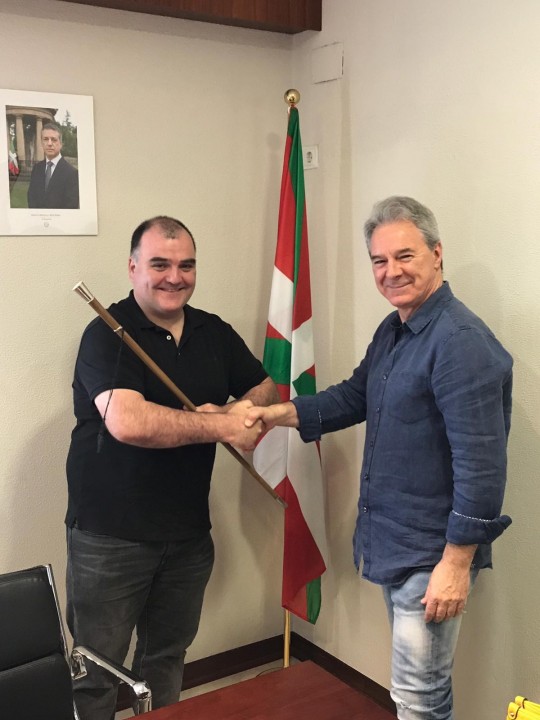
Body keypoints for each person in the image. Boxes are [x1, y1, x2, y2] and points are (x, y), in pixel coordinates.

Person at [245, 196, 513, 720]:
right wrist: (276, 415)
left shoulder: (459, 342)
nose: (391, 271)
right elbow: (353, 397)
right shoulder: (394, 330)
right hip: (393, 541)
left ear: (437, 254)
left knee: (419, 696)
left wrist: (456, 564)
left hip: (431, 553)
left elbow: (482, 465)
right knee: (416, 691)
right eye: (379, 260)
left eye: (404, 256)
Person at [66, 215, 278, 720]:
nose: (174, 277)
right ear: (133, 267)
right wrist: (220, 426)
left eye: (186, 265)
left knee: (165, 659)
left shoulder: (212, 331)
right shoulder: (107, 333)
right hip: (110, 537)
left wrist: (234, 411)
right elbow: (129, 421)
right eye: (160, 264)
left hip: (187, 535)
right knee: (96, 673)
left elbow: (265, 387)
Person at [27, 122, 79, 209]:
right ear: (42, 143)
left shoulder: (72, 173)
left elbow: (71, 206)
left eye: (54, 140)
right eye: (45, 139)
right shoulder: (36, 168)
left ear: (61, 144)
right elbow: (31, 198)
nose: (49, 143)